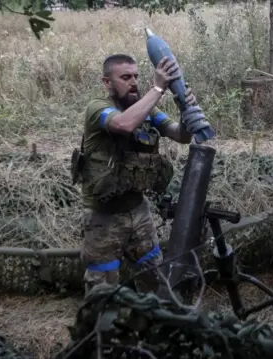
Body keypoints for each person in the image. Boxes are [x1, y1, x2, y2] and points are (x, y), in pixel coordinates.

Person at [72, 53, 204, 298]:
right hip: (103, 218)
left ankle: (152, 327)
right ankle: (101, 332)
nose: (133, 82)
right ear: (107, 82)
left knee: (154, 277)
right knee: (102, 290)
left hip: (139, 212)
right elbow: (123, 124)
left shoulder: (146, 110)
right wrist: (157, 88)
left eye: (135, 76)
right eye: (125, 77)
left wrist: (186, 111)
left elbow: (181, 135)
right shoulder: (98, 108)